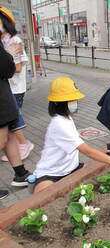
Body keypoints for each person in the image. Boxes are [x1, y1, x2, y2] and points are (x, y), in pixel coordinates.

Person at [33, 77, 110, 193]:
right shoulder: (59, 124)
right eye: (70, 100)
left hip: (72, 168)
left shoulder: (66, 118)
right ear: (57, 103)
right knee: (44, 195)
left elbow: (79, 145)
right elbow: (87, 151)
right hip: (51, 173)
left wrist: (101, 154)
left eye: (74, 99)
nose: (74, 103)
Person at [0, 22, 31, 194]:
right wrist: (8, 55)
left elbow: (13, 68)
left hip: (8, 91)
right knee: (3, 138)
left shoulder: (13, 40)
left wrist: (8, 56)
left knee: (10, 134)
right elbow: (7, 68)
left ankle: (21, 174)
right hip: (4, 93)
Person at [0, 6, 34, 162]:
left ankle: (24, 144)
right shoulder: (4, 41)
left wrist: (7, 59)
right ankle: (17, 148)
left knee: (13, 120)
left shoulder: (15, 40)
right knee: (10, 122)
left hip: (15, 88)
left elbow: (19, 68)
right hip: (7, 88)